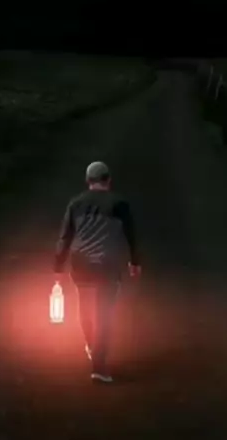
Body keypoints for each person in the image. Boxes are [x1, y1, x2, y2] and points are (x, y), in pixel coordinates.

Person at [53, 160, 141, 384]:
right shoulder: (119, 203)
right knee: (104, 313)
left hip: (80, 263)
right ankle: (99, 367)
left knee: (84, 305)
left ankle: (91, 345)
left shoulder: (75, 203)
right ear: (108, 180)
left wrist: (58, 267)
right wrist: (135, 262)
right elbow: (131, 234)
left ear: (88, 181)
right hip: (107, 264)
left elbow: (65, 236)